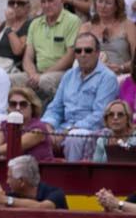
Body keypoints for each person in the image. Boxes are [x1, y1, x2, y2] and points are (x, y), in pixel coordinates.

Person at [42, 33, 120, 161]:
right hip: (63, 127)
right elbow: (55, 107)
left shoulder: (107, 77)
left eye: (88, 50)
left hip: (90, 130)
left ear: (97, 52)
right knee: (37, 133)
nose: (83, 54)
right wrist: (48, 127)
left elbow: (100, 115)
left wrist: (69, 130)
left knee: (75, 137)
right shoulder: (68, 76)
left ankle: (72, 177)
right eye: (78, 51)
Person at [10, 0, 82, 104]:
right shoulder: (35, 23)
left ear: (61, 1)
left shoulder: (72, 21)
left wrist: (42, 75)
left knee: (44, 81)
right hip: (37, 73)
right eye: (43, 2)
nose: (46, 5)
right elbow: (27, 57)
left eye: (51, 1)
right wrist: (33, 74)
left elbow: (69, 57)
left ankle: (46, 117)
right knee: (8, 80)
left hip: (63, 73)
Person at [0, 154, 66, 209]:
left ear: (22, 181)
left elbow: (44, 207)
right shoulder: (13, 195)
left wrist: (5, 199)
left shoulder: (56, 193)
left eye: (9, 177)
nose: (7, 182)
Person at [84, 0, 136, 76]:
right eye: (100, 1)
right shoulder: (87, 27)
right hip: (92, 74)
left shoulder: (128, 25)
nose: (103, 6)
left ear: (117, 6)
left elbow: (135, 60)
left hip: (121, 75)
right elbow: (79, 56)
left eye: (108, 3)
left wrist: (122, 68)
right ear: (95, 3)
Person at [7, 85, 53, 161]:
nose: (17, 108)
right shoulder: (5, 124)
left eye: (23, 104)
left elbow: (15, 146)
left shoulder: (39, 127)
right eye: (13, 104)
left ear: (32, 107)